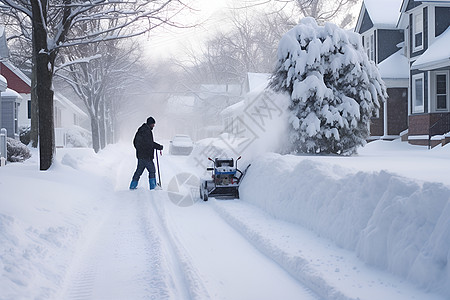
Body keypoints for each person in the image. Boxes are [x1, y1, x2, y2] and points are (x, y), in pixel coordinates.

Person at [129, 117, 163, 190]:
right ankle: (153, 187)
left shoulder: (141, 129)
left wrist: (140, 150)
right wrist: (159, 147)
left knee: (139, 171)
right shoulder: (147, 131)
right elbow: (149, 144)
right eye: (153, 124)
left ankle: (132, 186)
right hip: (146, 156)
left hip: (141, 155)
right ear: (150, 123)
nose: (154, 125)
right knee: (152, 170)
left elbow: (136, 142)